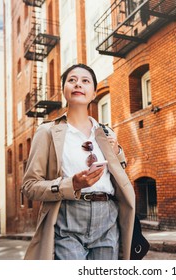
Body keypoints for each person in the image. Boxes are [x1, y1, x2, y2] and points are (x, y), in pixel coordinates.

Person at [21, 63, 135, 260]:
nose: (78, 85)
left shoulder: (107, 133)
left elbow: (121, 178)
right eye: (71, 80)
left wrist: (117, 152)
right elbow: (29, 186)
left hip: (108, 218)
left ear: (94, 93)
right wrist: (72, 184)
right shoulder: (47, 132)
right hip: (67, 218)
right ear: (64, 90)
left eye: (85, 81)